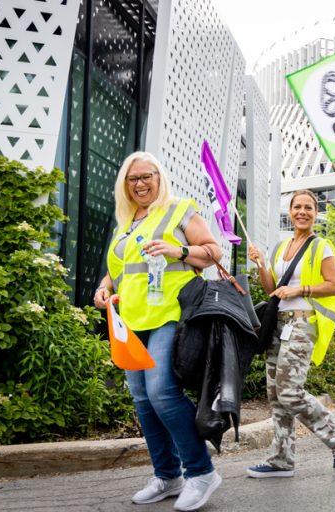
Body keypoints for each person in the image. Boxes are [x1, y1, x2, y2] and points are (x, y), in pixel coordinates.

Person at [94, 151, 223, 511]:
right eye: (132, 179)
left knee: (162, 392)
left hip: (170, 313)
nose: (140, 184)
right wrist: (103, 289)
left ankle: (201, 472)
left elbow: (214, 252)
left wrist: (178, 249)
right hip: (131, 320)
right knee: (141, 398)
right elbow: (118, 270)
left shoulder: (179, 210)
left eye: (146, 176)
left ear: (158, 177)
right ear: (125, 185)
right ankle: (168, 476)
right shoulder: (126, 222)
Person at [245, 189, 335, 478]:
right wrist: (259, 264)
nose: (302, 211)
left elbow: (334, 285)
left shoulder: (322, 246)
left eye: (308, 207)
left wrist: (300, 289)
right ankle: (281, 460)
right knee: (275, 394)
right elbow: (271, 290)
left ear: (315, 213)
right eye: (297, 207)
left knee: (290, 392)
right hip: (278, 323)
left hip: (303, 323)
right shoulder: (281, 247)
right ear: (290, 211)